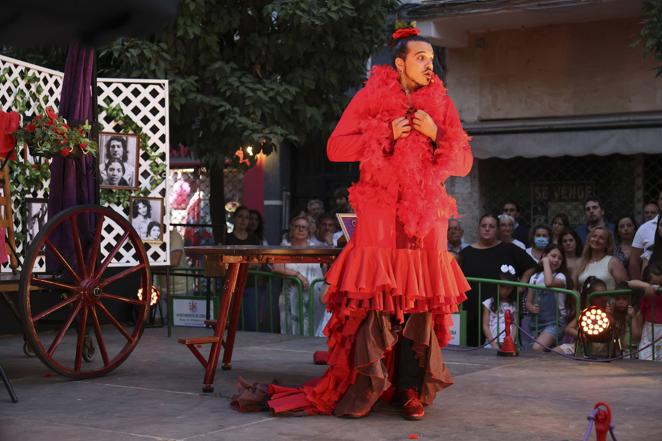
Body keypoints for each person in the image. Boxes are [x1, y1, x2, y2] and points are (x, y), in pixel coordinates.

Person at [255, 25, 473, 420]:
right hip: (381, 215)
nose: (430, 64)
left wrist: (436, 132)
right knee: (376, 301)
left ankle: (410, 390)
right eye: (421, 57)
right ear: (400, 62)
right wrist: (383, 133)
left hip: (425, 218)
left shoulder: (441, 104)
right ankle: (367, 386)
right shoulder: (370, 98)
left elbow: (463, 162)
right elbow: (336, 147)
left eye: (432, 58)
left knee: (419, 304)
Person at [460, 214, 536, 347]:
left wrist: (521, 286)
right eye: (484, 226)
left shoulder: (509, 249)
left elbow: (531, 266)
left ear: (498, 229)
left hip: (499, 312)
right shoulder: (466, 253)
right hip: (471, 311)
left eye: (491, 226)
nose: (487, 229)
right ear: (478, 228)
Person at [272, 215, 326, 336]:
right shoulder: (284, 247)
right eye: (297, 226)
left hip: (314, 296)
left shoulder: (316, 249)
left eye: (304, 227)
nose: (300, 230)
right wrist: (298, 275)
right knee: (291, 332)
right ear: (292, 229)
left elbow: (325, 270)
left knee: (313, 330)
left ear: (308, 230)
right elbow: (276, 267)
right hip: (291, 297)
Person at [525, 244, 569, 351]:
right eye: (553, 256)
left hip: (555, 322)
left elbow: (548, 282)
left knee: (537, 347)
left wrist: (545, 261)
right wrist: (530, 307)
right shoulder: (534, 277)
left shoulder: (560, 277)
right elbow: (528, 302)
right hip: (536, 322)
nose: (556, 260)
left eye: (560, 258)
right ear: (545, 255)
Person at [575, 226, 627, 290]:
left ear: (607, 244)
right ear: (589, 239)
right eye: (594, 236)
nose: (596, 240)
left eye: (601, 238)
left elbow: (623, 287)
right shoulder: (580, 263)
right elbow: (574, 288)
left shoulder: (613, 262)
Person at [629, 263, 662, 360]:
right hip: (649, 336)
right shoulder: (646, 297)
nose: (658, 289)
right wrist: (647, 286)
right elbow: (629, 283)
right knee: (646, 361)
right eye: (655, 285)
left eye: (661, 285)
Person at [481, 264, 518, 349]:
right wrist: (494, 345)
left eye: (509, 288)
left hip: (509, 343)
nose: (505, 291)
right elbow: (485, 325)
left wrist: (511, 341)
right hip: (492, 343)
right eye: (502, 287)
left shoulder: (514, 305)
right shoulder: (488, 303)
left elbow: (515, 325)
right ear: (497, 285)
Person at [630, 191, 662, 279]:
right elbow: (634, 262)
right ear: (658, 202)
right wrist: (640, 289)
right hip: (652, 287)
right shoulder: (644, 228)